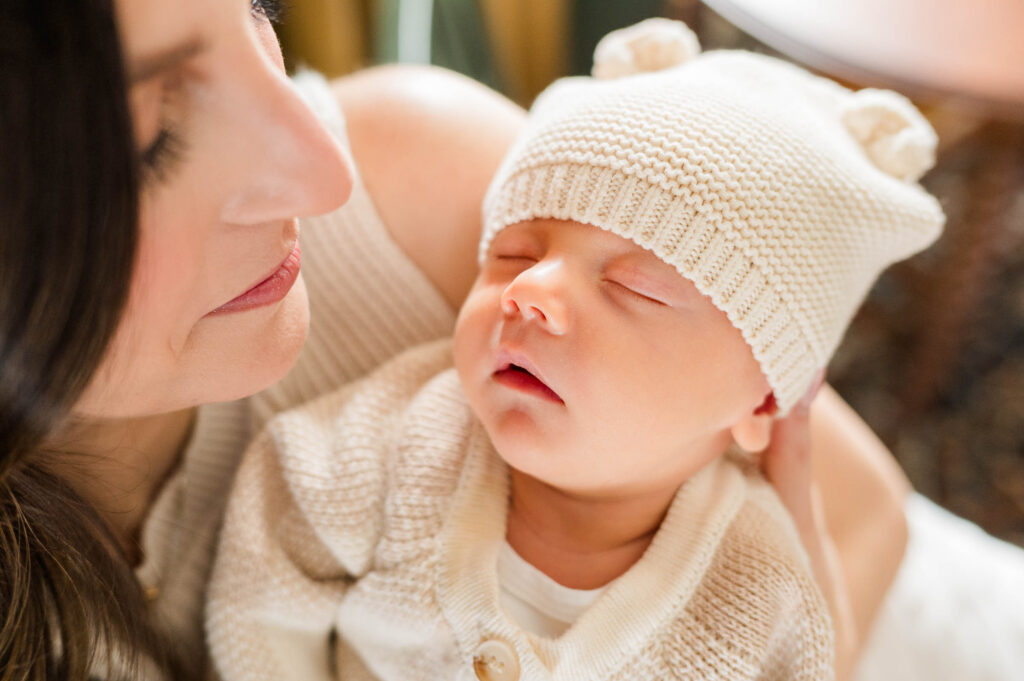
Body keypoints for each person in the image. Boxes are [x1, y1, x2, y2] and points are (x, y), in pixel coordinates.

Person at [0, 1, 978, 680]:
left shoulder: (409, 180)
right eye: (150, 141)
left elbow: (861, 520)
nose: (320, 169)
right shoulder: (391, 453)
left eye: (258, 9)